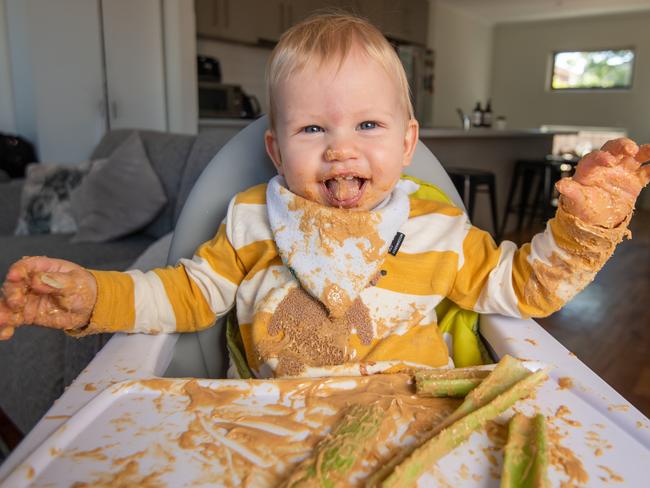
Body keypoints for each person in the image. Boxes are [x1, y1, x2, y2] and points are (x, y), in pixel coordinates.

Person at [1, 14, 649, 378]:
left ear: (405, 143)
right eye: (313, 128)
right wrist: (91, 296)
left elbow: (524, 287)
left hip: (413, 416)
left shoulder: (437, 229)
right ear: (278, 151)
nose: (341, 148)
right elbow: (182, 295)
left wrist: (583, 229)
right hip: (273, 427)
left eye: (368, 125)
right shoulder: (253, 220)